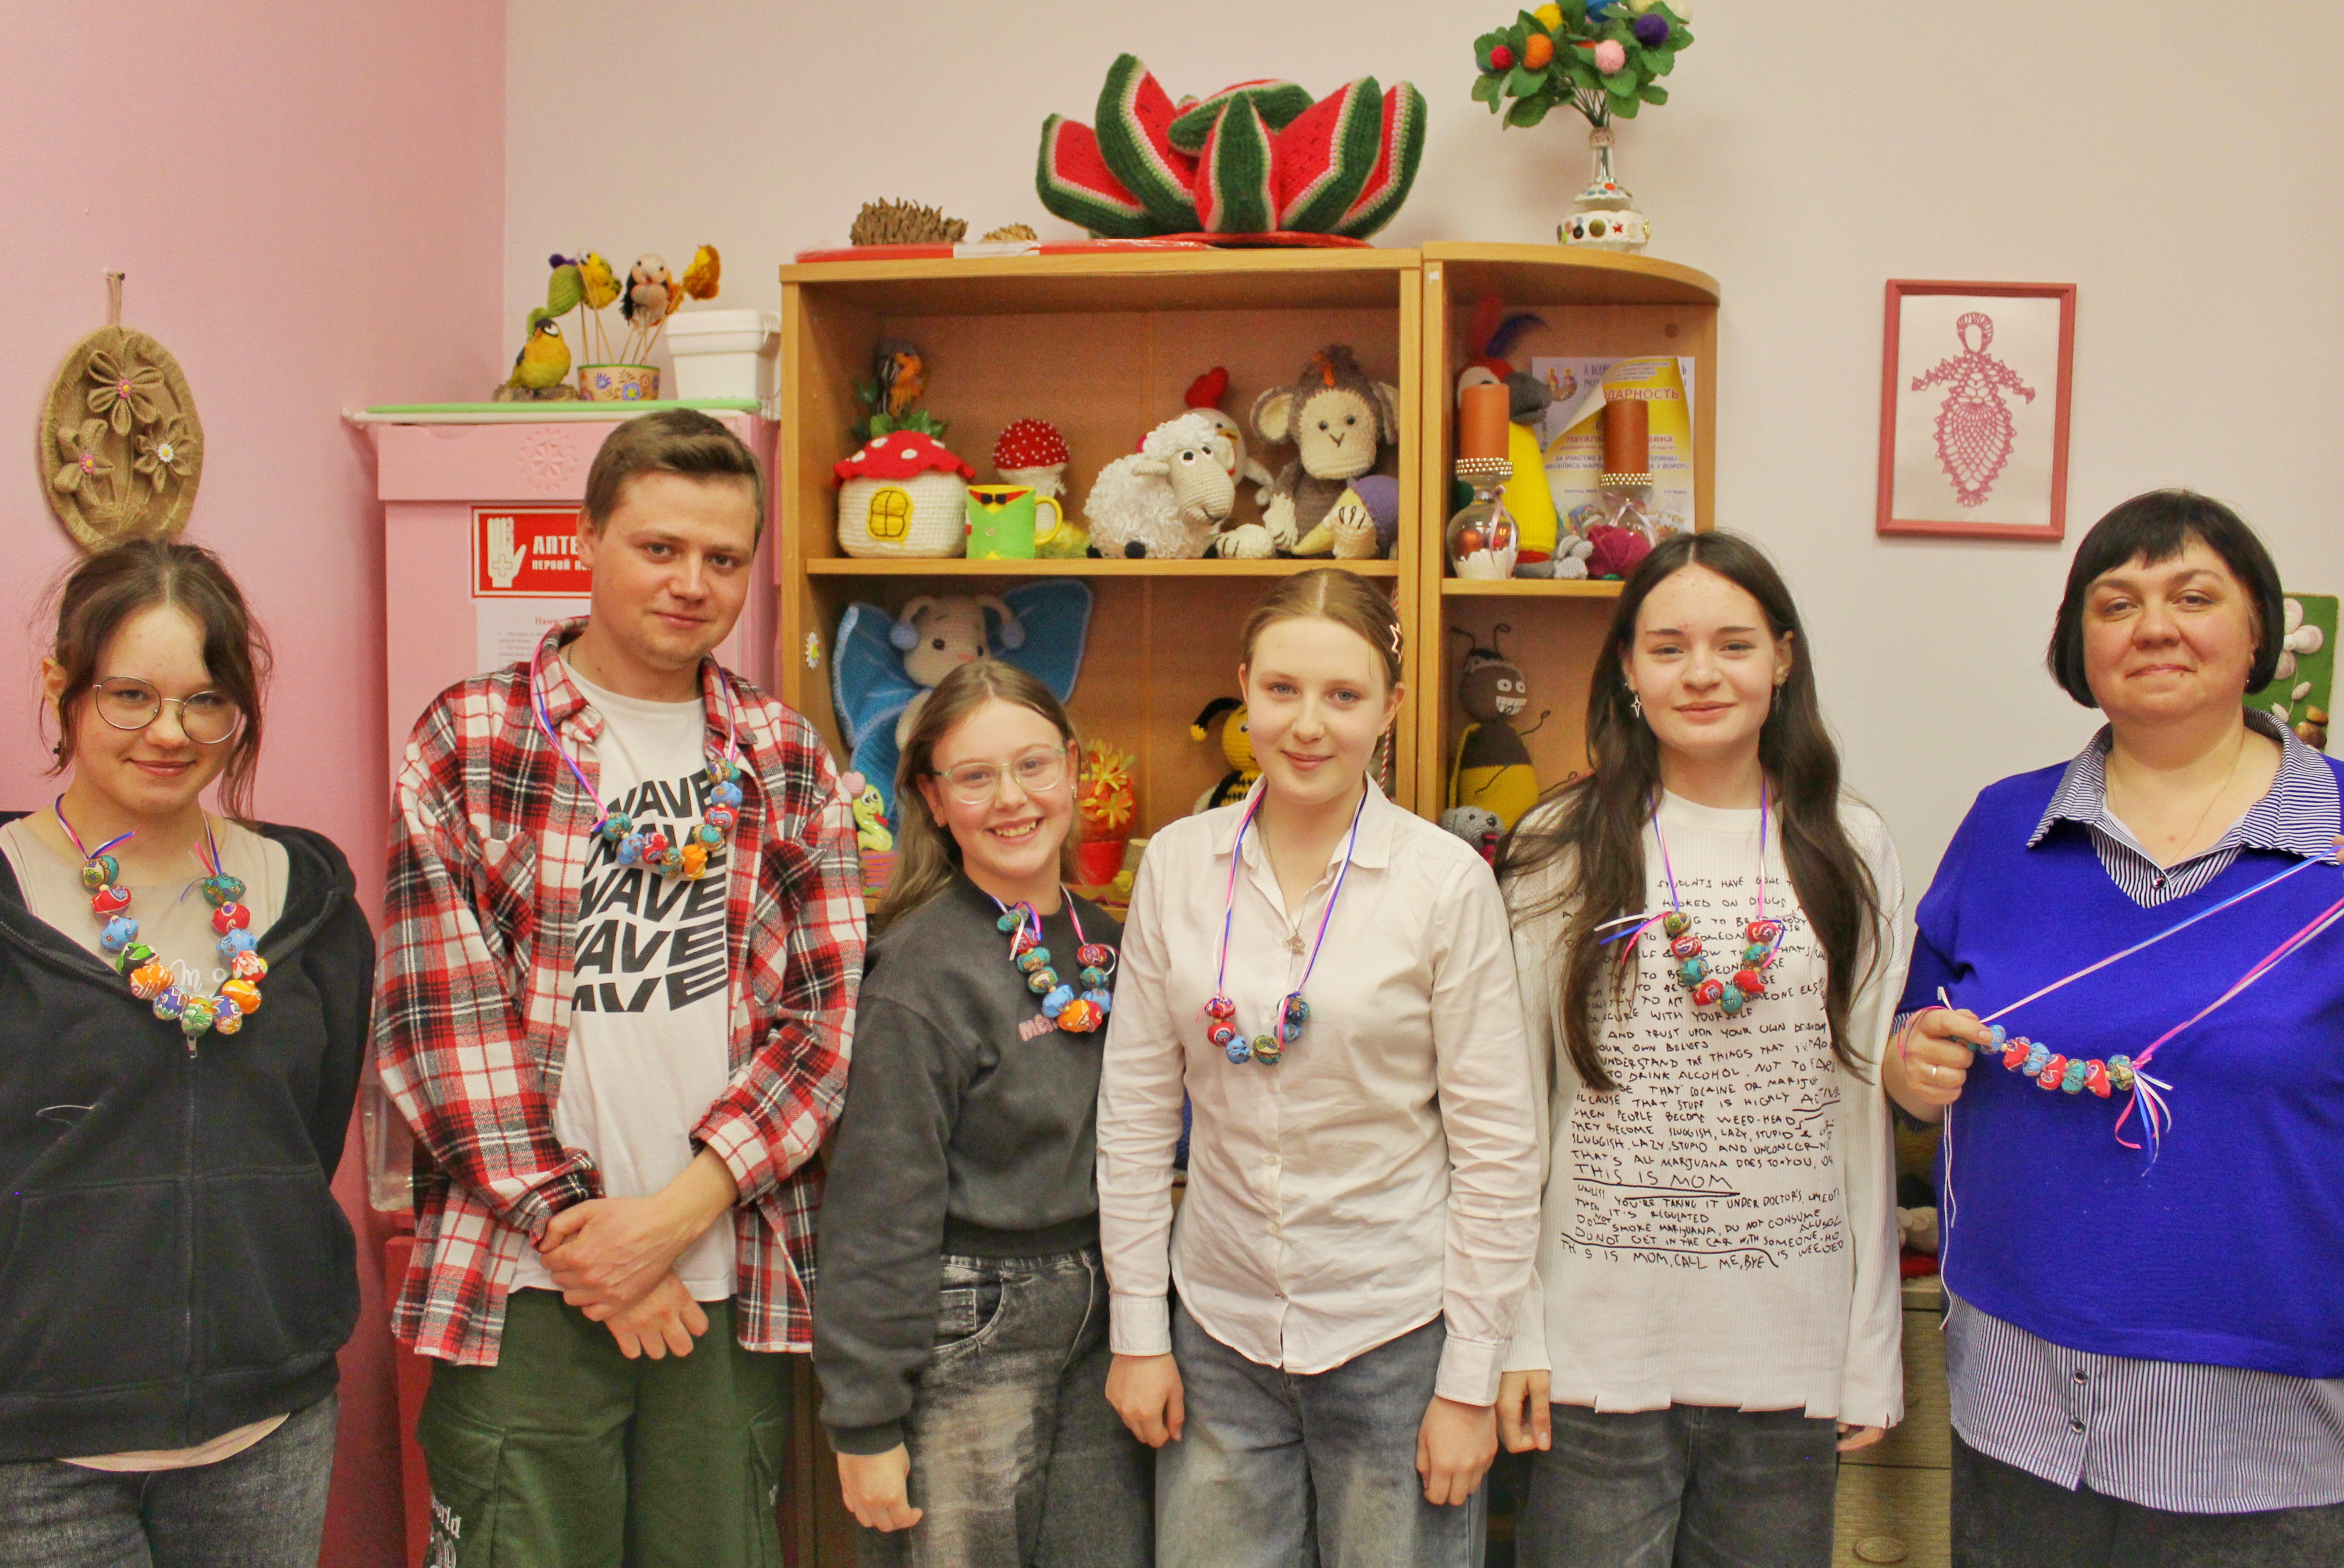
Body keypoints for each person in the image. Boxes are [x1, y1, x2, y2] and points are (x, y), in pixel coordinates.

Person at [374, 409, 863, 1566]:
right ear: (588, 537)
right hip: (521, 1286)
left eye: (723, 558)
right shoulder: (472, 737)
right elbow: (439, 1026)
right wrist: (583, 1242)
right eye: (658, 547)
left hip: (724, 1276)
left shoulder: (783, 757)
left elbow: (823, 1025)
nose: (692, 583)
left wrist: (674, 1220)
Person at [1887, 491, 2344, 1568]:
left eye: (2193, 596)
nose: (2153, 627)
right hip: (2018, 1403)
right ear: (2076, 641)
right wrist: (1908, 1065)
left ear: (2257, 633)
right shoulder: (2004, 823)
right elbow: (1917, 1022)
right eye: (2115, 601)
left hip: (2266, 1421)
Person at [1095, 567, 1542, 1568]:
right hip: (1216, 1331)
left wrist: (1469, 1382)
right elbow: (1133, 1116)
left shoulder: (1442, 883)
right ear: (1243, 691)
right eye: (1281, 690)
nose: (1307, 725)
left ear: (1390, 707)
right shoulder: (1176, 863)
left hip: (1394, 1332)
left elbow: (1498, 1148)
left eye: (1342, 695)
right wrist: (1138, 1332)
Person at [1492, 532, 1907, 1568]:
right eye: (1668, 647)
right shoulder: (1557, 842)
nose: (1701, 673)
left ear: (1782, 658)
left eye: (1733, 643)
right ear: (1627, 670)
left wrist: (1869, 1348)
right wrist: (1516, 1330)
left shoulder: (1849, 845)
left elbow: (1859, 1112)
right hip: (1592, 1358)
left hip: (1788, 1354)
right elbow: (1513, 1109)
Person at [0, 540, 372, 1568]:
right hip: (35, 1455)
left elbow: (307, 1137)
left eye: (206, 701)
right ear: (61, 688)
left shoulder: (310, 903)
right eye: (131, 695)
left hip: (267, 1431)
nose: (170, 733)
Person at [815, 659, 1152, 1567]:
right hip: (969, 1314)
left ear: (1072, 769)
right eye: (974, 775)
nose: (1011, 798)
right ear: (931, 798)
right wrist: (864, 1422)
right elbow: (877, 1206)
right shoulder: (921, 971)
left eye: (1032, 764)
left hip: (1106, 1314)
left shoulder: (1107, 942)